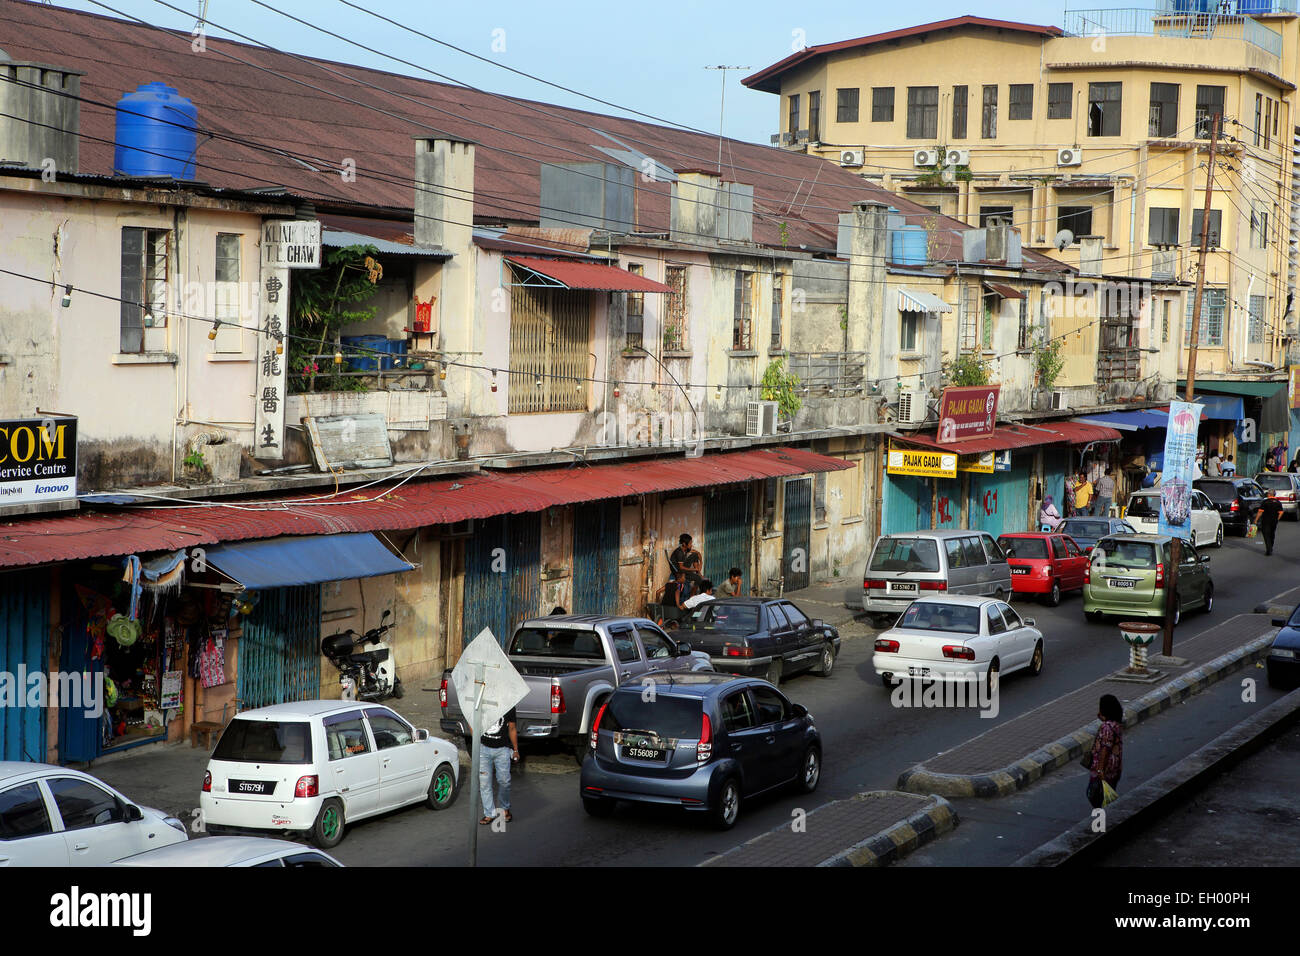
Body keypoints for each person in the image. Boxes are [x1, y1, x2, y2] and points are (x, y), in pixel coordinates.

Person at [478, 707, 518, 825]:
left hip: (503, 750)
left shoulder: (509, 704)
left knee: (504, 781)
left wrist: (515, 750)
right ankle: (489, 813)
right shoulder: (482, 701)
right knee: (484, 783)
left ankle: (505, 809)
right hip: (483, 749)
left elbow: (512, 728)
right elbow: (471, 721)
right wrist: (476, 737)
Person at [1086, 694, 1124, 810]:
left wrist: (1100, 769)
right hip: (1115, 768)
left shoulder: (1106, 728)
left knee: (1096, 798)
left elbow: (1104, 750)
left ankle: (1100, 826)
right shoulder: (1116, 725)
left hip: (1104, 770)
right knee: (1107, 798)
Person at [1254, 488, 1285, 557]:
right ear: (1274, 494)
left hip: (1265, 520)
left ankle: (1269, 549)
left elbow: (1260, 512)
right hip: (1274, 520)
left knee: (1266, 534)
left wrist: (1256, 520)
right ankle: (1271, 546)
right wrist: (1277, 518)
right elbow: (1281, 512)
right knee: (1272, 533)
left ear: (1268, 494)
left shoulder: (1265, 502)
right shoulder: (1278, 502)